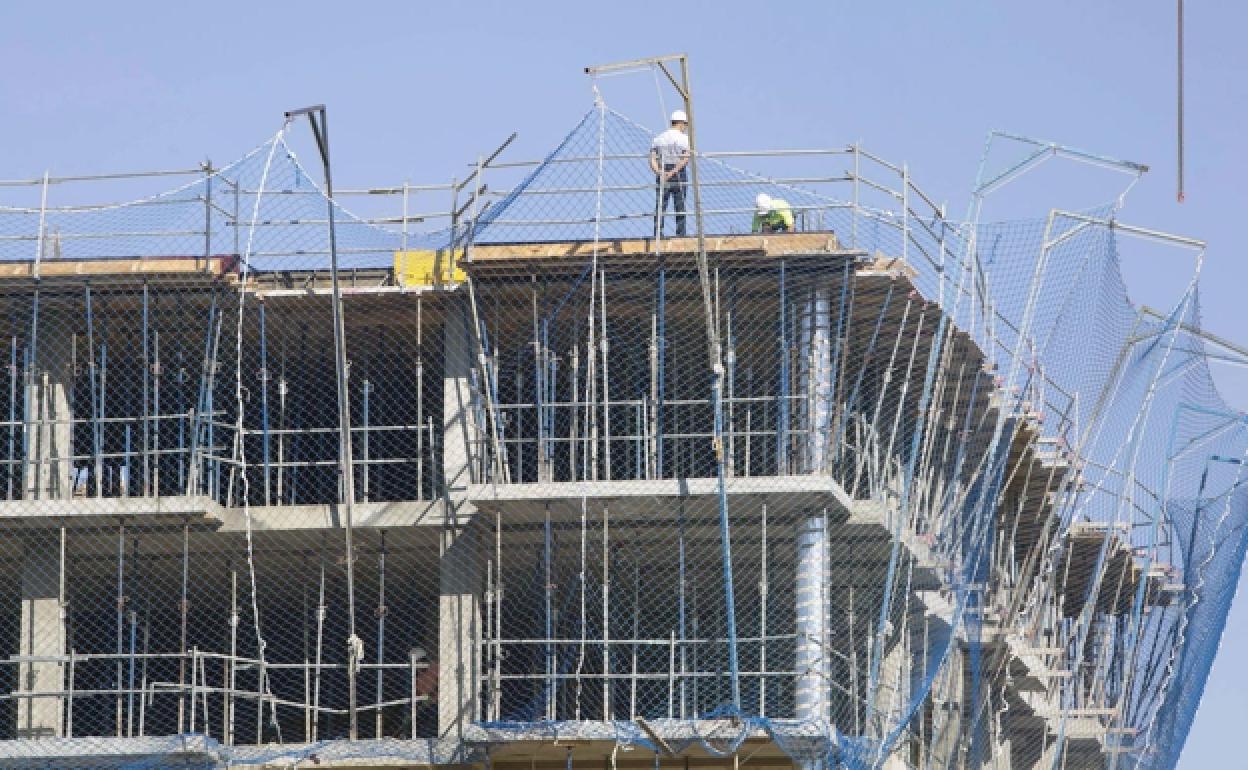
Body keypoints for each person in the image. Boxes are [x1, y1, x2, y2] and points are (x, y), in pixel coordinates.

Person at [650, 110, 690, 237]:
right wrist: (673, 171)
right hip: (678, 172)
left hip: (663, 170)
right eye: (685, 125)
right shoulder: (684, 138)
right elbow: (685, 158)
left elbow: (652, 159)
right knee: (680, 205)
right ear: (681, 123)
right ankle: (681, 234)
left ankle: (658, 233)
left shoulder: (659, 138)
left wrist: (659, 172)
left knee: (661, 204)